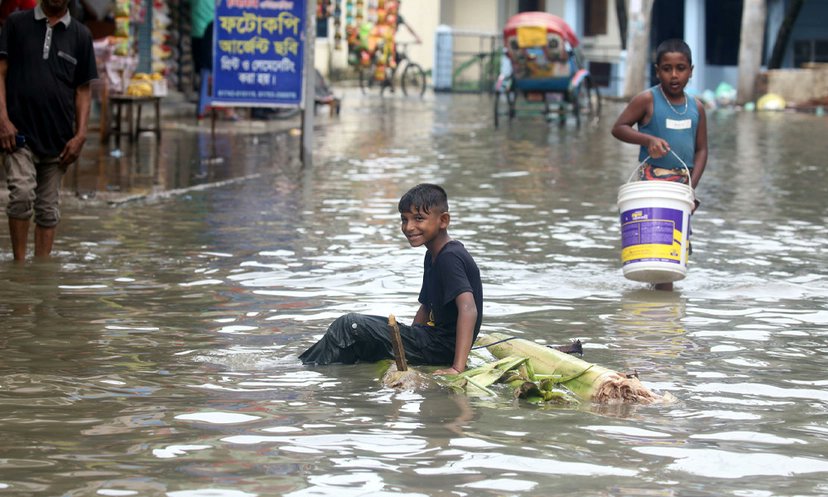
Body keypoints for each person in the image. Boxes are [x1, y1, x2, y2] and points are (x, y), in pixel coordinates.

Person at [299, 183, 483, 375]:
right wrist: (407, 341)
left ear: (443, 220)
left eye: (419, 219)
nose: (409, 227)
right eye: (404, 219)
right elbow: (426, 307)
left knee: (350, 325)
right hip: (430, 342)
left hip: (441, 349)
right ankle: (318, 371)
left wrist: (456, 368)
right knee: (359, 344)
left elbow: (468, 308)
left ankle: (304, 371)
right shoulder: (432, 256)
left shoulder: (449, 257)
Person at [0, 0, 97, 262]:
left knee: (48, 209)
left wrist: (81, 135)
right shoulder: (16, 24)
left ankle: (41, 273)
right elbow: (1, 72)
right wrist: (3, 119)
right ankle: (20, 267)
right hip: (18, 135)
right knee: (21, 194)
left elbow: (83, 90)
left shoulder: (80, 35)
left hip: (60, 141)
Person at [611, 38, 708, 291]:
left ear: (691, 71)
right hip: (652, 187)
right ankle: (659, 312)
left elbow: (701, 149)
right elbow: (618, 128)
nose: (674, 75)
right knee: (655, 248)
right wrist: (648, 139)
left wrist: (691, 190)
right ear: (657, 71)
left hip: (681, 188)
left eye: (681, 68)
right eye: (667, 69)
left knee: (675, 253)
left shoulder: (696, 107)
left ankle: (660, 311)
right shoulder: (647, 100)